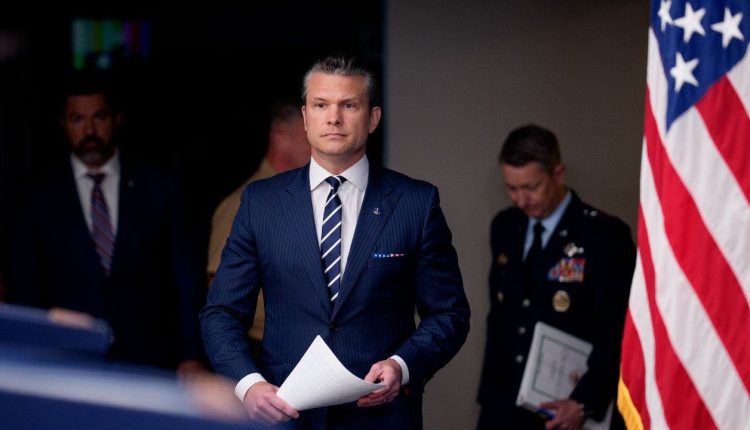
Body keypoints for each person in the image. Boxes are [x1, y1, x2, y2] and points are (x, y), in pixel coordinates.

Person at [200, 55, 470, 429]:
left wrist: (403, 366)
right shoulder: (260, 203)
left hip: (382, 416)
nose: (334, 118)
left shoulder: (416, 203)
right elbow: (221, 313)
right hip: (284, 413)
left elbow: (449, 314)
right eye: (321, 105)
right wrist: (249, 386)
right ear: (305, 117)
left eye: (349, 105)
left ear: (372, 118)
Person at [3, 72, 205, 373]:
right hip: (65, 362)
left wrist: (191, 355)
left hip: (150, 361)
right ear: (63, 124)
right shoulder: (36, 197)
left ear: (116, 119)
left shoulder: (159, 186)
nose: (89, 130)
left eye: (99, 117)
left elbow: (186, 278)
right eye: (77, 119)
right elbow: (24, 288)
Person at [477, 125, 635, 430]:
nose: (520, 200)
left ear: (558, 174)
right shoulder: (505, 226)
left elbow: (617, 330)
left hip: (567, 409)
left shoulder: (604, 235)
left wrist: (585, 401)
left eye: (531, 187)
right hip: (504, 404)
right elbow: (501, 318)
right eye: (512, 188)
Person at [206, 97, 309, 347]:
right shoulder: (243, 204)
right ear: (282, 136)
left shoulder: (309, 197)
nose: (322, 145)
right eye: (309, 135)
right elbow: (220, 294)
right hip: (260, 349)